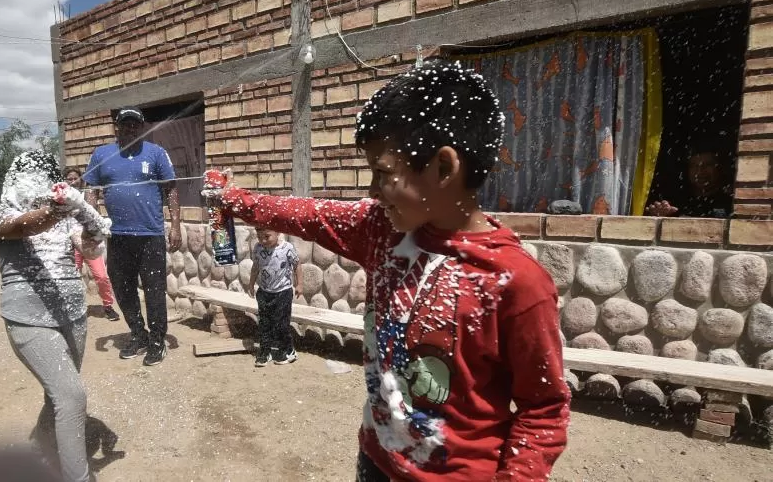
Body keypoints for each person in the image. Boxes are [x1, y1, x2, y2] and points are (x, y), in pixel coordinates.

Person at [204, 59, 569, 481]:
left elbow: (543, 411)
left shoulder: (514, 283)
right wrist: (238, 200)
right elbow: (306, 213)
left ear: (443, 168)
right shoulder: (381, 230)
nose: (373, 190)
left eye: (383, 173)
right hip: (377, 458)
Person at [0, 151, 109, 482]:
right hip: (29, 321)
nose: (34, 184)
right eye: (26, 177)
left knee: (56, 394)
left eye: (40, 178)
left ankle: (40, 447)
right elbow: (24, 226)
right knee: (72, 396)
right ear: (12, 184)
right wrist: (59, 209)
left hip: (73, 315)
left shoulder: (65, 217)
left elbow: (90, 250)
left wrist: (91, 224)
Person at [83, 106, 182, 367]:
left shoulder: (156, 153)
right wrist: (93, 222)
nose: (130, 128)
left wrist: (175, 225)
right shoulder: (101, 154)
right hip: (118, 236)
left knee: (154, 291)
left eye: (135, 124)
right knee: (123, 290)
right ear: (117, 127)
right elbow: (91, 189)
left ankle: (158, 341)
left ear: (141, 127)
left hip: (150, 235)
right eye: (125, 124)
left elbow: (170, 188)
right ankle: (139, 334)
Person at [64, 167, 120, 321]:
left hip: (89, 241)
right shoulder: (61, 199)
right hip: (70, 243)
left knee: (101, 276)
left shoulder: (87, 196)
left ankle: (108, 306)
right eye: (69, 179)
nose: (72, 181)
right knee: (71, 276)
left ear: (81, 179)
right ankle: (73, 307)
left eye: (75, 178)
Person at [247, 227, 301, 367]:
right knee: (264, 324)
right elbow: (255, 266)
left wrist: (299, 284)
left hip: (283, 292)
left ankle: (288, 351)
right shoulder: (258, 248)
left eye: (267, 236)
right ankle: (265, 352)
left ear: (278, 232)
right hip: (264, 292)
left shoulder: (287, 248)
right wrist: (251, 283)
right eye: (259, 237)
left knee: (281, 324)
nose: (263, 240)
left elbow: (297, 265)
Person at [645, 143, 732, 218]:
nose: (700, 171)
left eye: (708, 165)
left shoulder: (731, 204)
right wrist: (661, 217)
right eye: (694, 166)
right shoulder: (674, 202)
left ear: (720, 168)